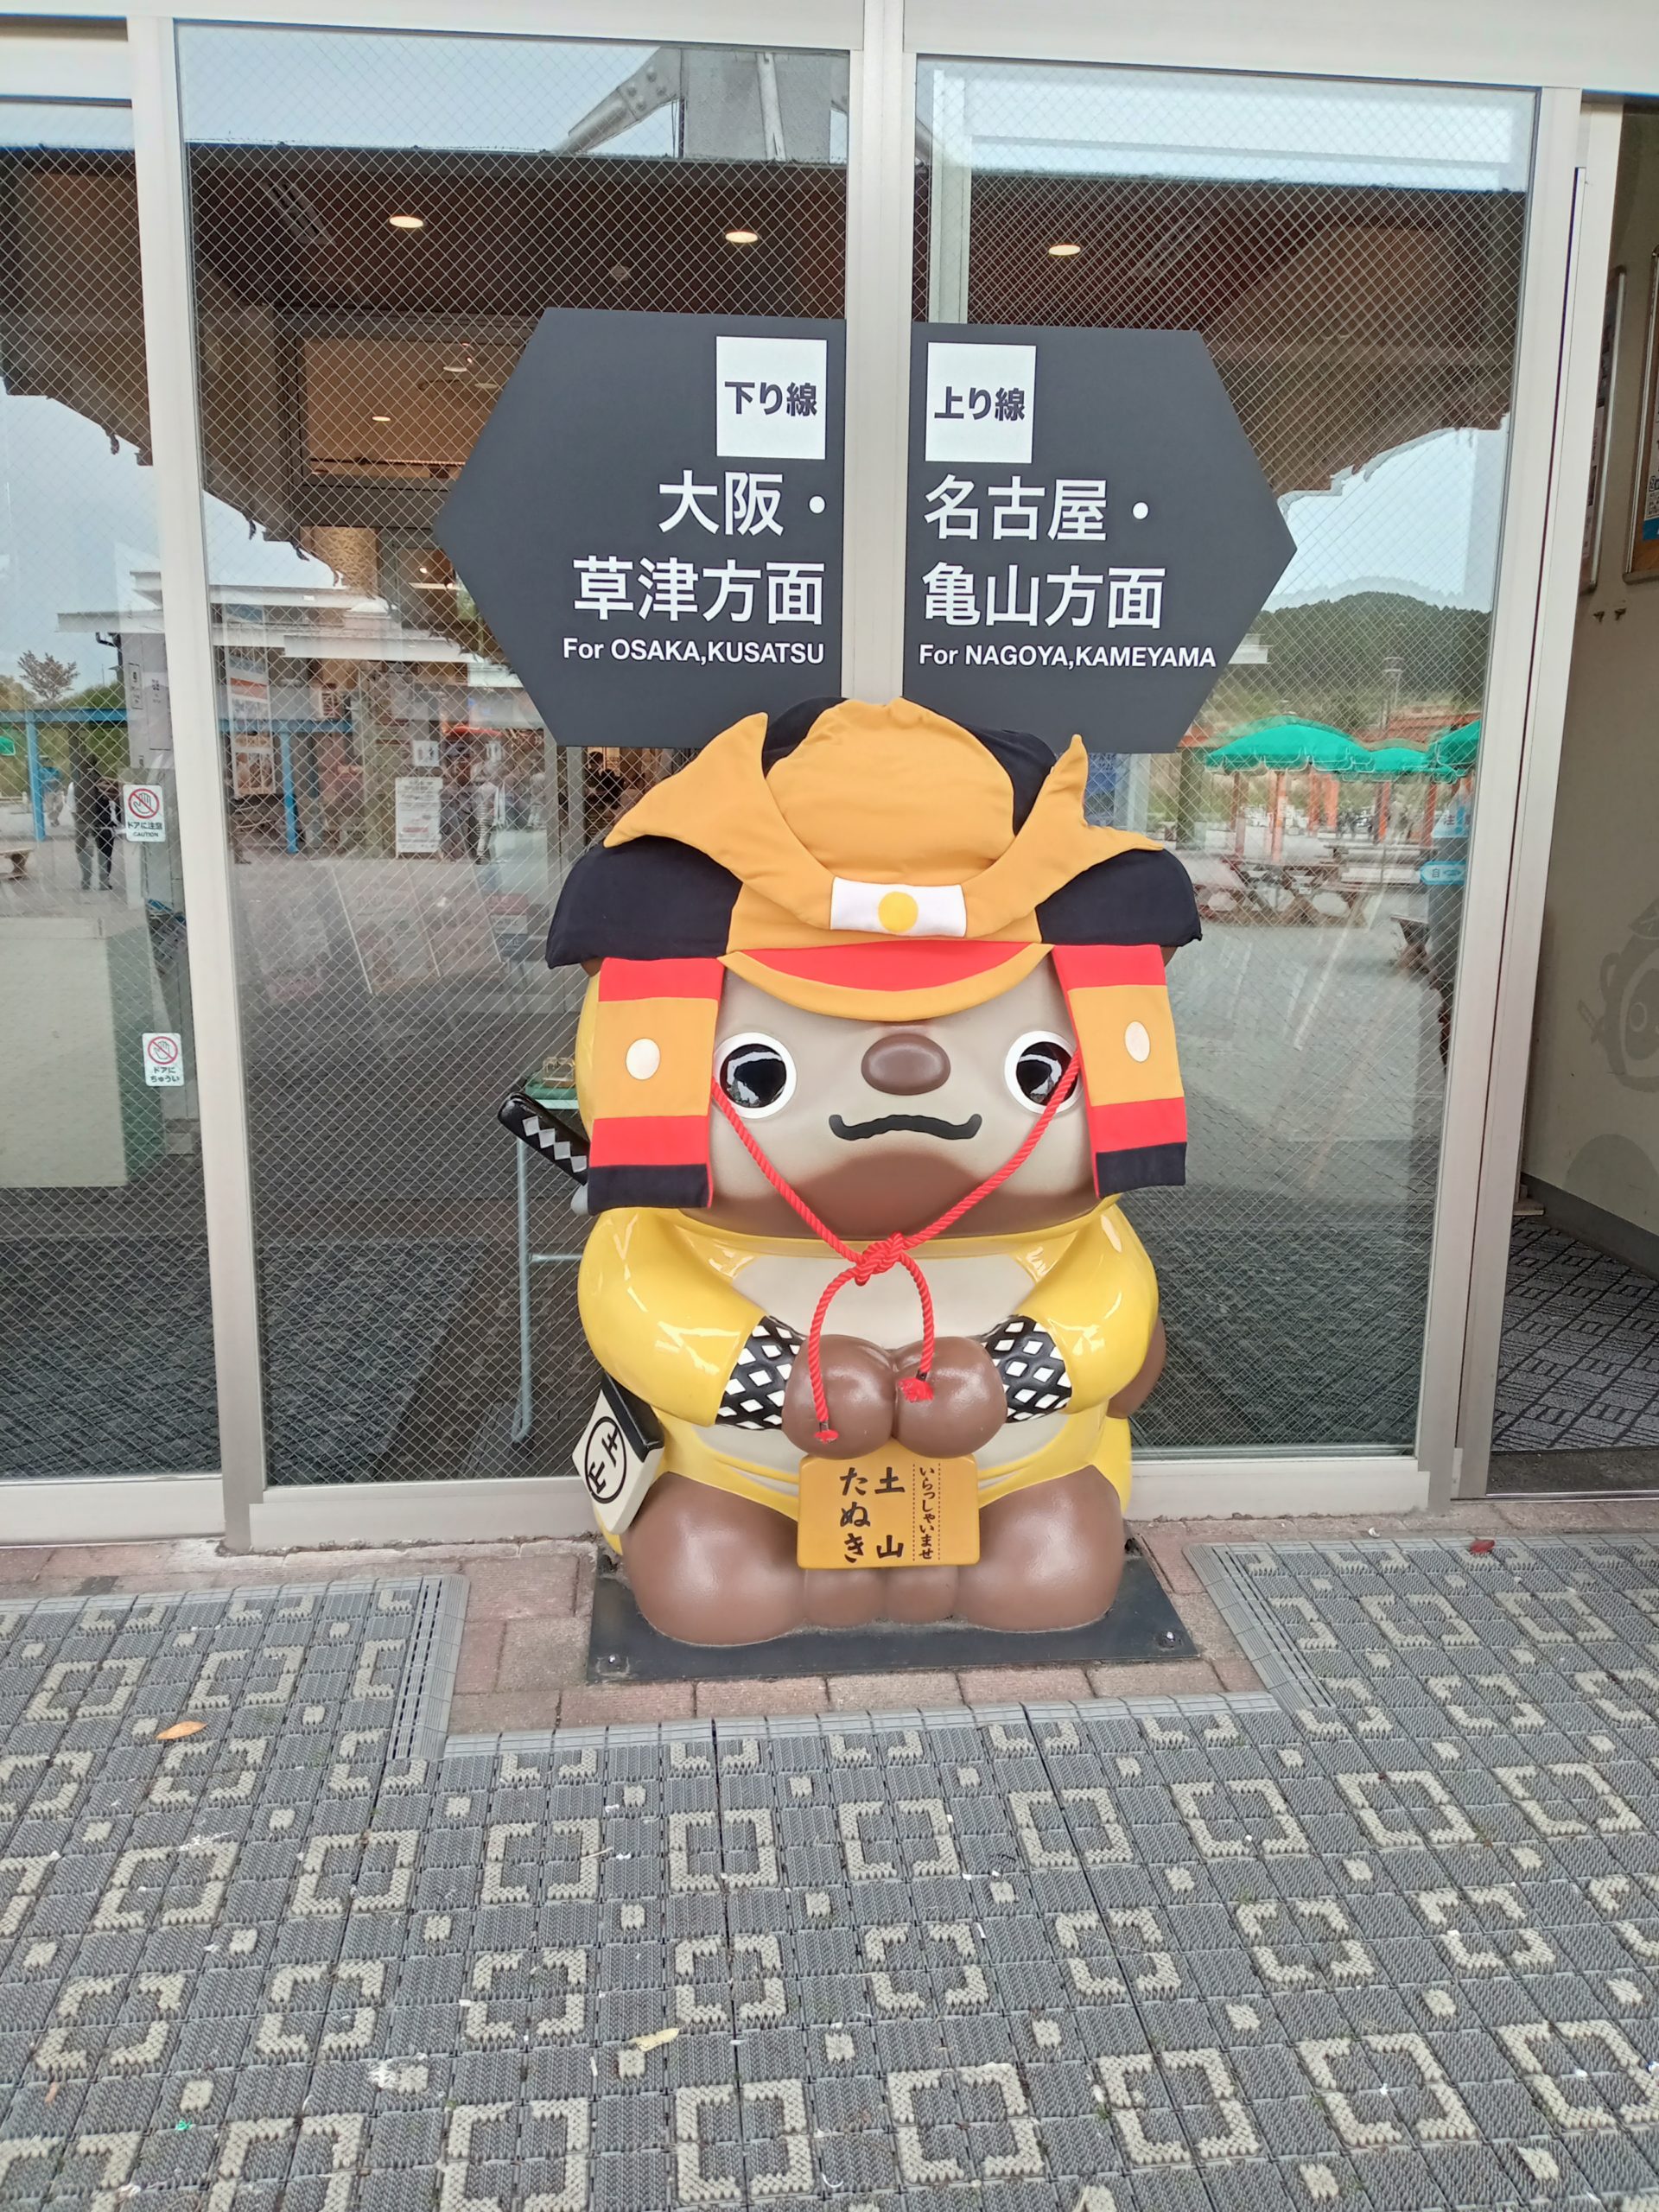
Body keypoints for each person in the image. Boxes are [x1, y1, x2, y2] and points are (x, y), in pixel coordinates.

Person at [71, 761, 120, 892]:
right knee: (105, 852)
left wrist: (79, 822)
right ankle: (104, 881)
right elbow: (116, 803)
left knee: (83, 852)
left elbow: (72, 808)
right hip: (104, 822)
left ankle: (86, 879)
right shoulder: (106, 785)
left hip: (83, 823)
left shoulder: (74, 786)